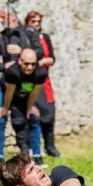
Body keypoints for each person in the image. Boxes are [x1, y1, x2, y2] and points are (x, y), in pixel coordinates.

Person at [0, 7, 32, 163]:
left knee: (25, 116)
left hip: (25, 83)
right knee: (1, 117)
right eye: (0, 17)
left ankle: (27, 151)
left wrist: (22, 51)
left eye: (4, 17)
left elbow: (36, 54)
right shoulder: (0, 38)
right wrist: (4, 66)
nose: (1, 20)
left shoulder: (26, 34)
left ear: (13, 17)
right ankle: (0, 155)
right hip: (4, 83)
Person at [0, 49, 47, 163]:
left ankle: (36, 154)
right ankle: (0, 156)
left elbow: (35, 93)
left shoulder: (41, 74)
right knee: (1, 118)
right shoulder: (12, 72)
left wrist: (29, 108)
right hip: (4, 91)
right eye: (26, 64)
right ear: (20, 61)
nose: (30, 67)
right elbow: (9, 92)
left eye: (33, 64)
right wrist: (5, 108)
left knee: (34, 118)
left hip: (24, 95)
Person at [25, 11, 60, 157]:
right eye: (33, 22)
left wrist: (40, 62)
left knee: (49, 112)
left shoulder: (44, 37)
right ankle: (32, 147)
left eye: (38, 22)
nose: (36, 25)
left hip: (44, 80)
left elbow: (51, 58)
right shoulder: (24, 39)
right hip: (28, 81)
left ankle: (49, 145)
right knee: (31, 113)